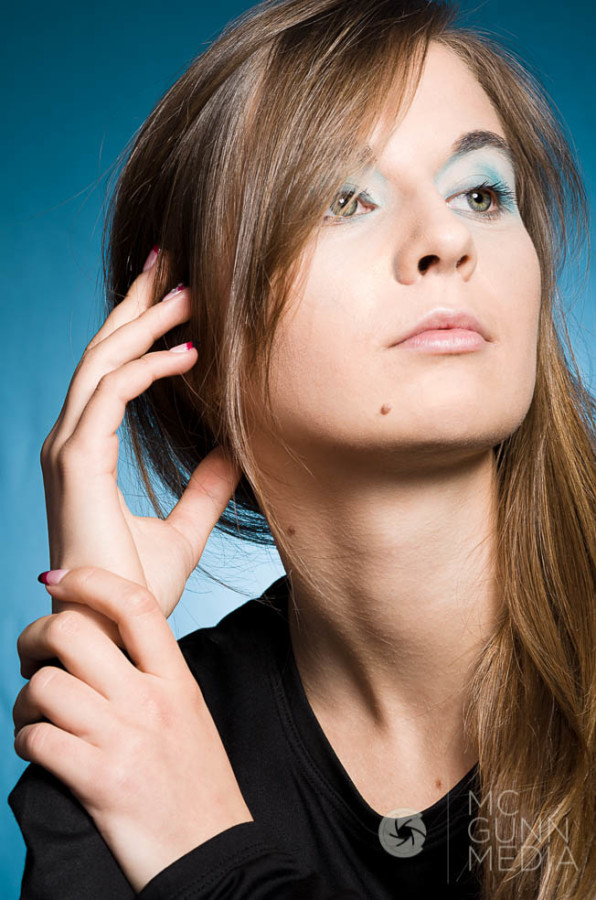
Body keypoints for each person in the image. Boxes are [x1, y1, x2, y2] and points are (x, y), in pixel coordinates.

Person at [7, 0, 595, 897]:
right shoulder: (152, 730)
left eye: (481, 193)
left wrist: (203, 849)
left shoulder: (170, 785)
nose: (447, 239)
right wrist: (107, 642)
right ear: (196, 337)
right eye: (344, 199)